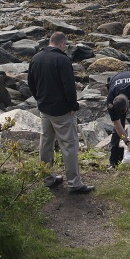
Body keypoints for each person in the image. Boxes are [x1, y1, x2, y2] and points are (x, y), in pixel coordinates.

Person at [27, 32, 94, 194]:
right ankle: (74, 183)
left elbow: (31, 83)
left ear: (51, 42)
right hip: (62, 110)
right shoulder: (63, 60)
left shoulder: (36, 58)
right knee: (69, 145)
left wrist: (40, 99)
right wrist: (73, 105)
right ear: (62, 44)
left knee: (46, 143)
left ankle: (47, 178)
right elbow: (69, 87)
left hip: (44, 108)